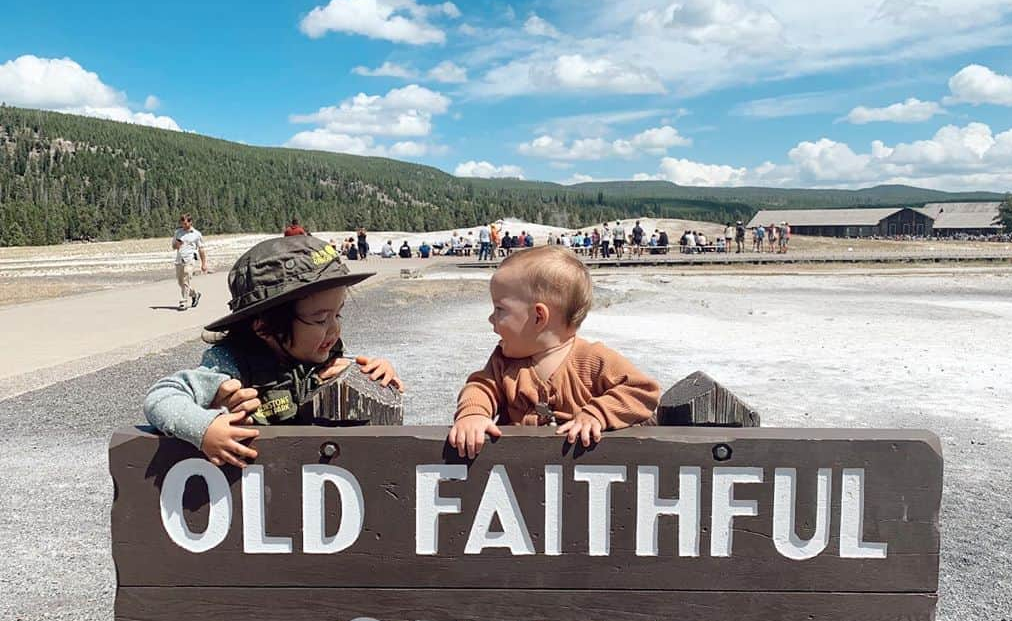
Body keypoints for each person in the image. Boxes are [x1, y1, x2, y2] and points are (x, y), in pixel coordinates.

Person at [144, 236, 402, 465]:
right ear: (264, 327)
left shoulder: (319, 355)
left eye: (338, 313)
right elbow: (161, 397)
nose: (334, 329)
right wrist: (206, 428)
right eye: (320, 319)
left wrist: (374, 378)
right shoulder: (230, 366)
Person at [448, 245, 660, 459]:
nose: (491, 319)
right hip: (520, 473)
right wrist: (473, 413)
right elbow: (481, 387)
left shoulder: (592, 359)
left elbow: (642, 391)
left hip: (574, 478)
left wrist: (597, 414)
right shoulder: (503, 363)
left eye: (499, 309)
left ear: (539, 317)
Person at [173, 213, 208, 311]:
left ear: (190, 222)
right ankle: (195, 294)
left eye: (185, 224)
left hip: (190, 260)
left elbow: (201, 249)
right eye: (182, 223)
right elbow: (173, 247)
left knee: (186, 280)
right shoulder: (178, 232)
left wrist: (204, 264)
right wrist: (177, 244)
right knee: (181, 283)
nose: (183, 226)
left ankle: (183, 302)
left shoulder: (196, 234)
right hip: (179, 260)